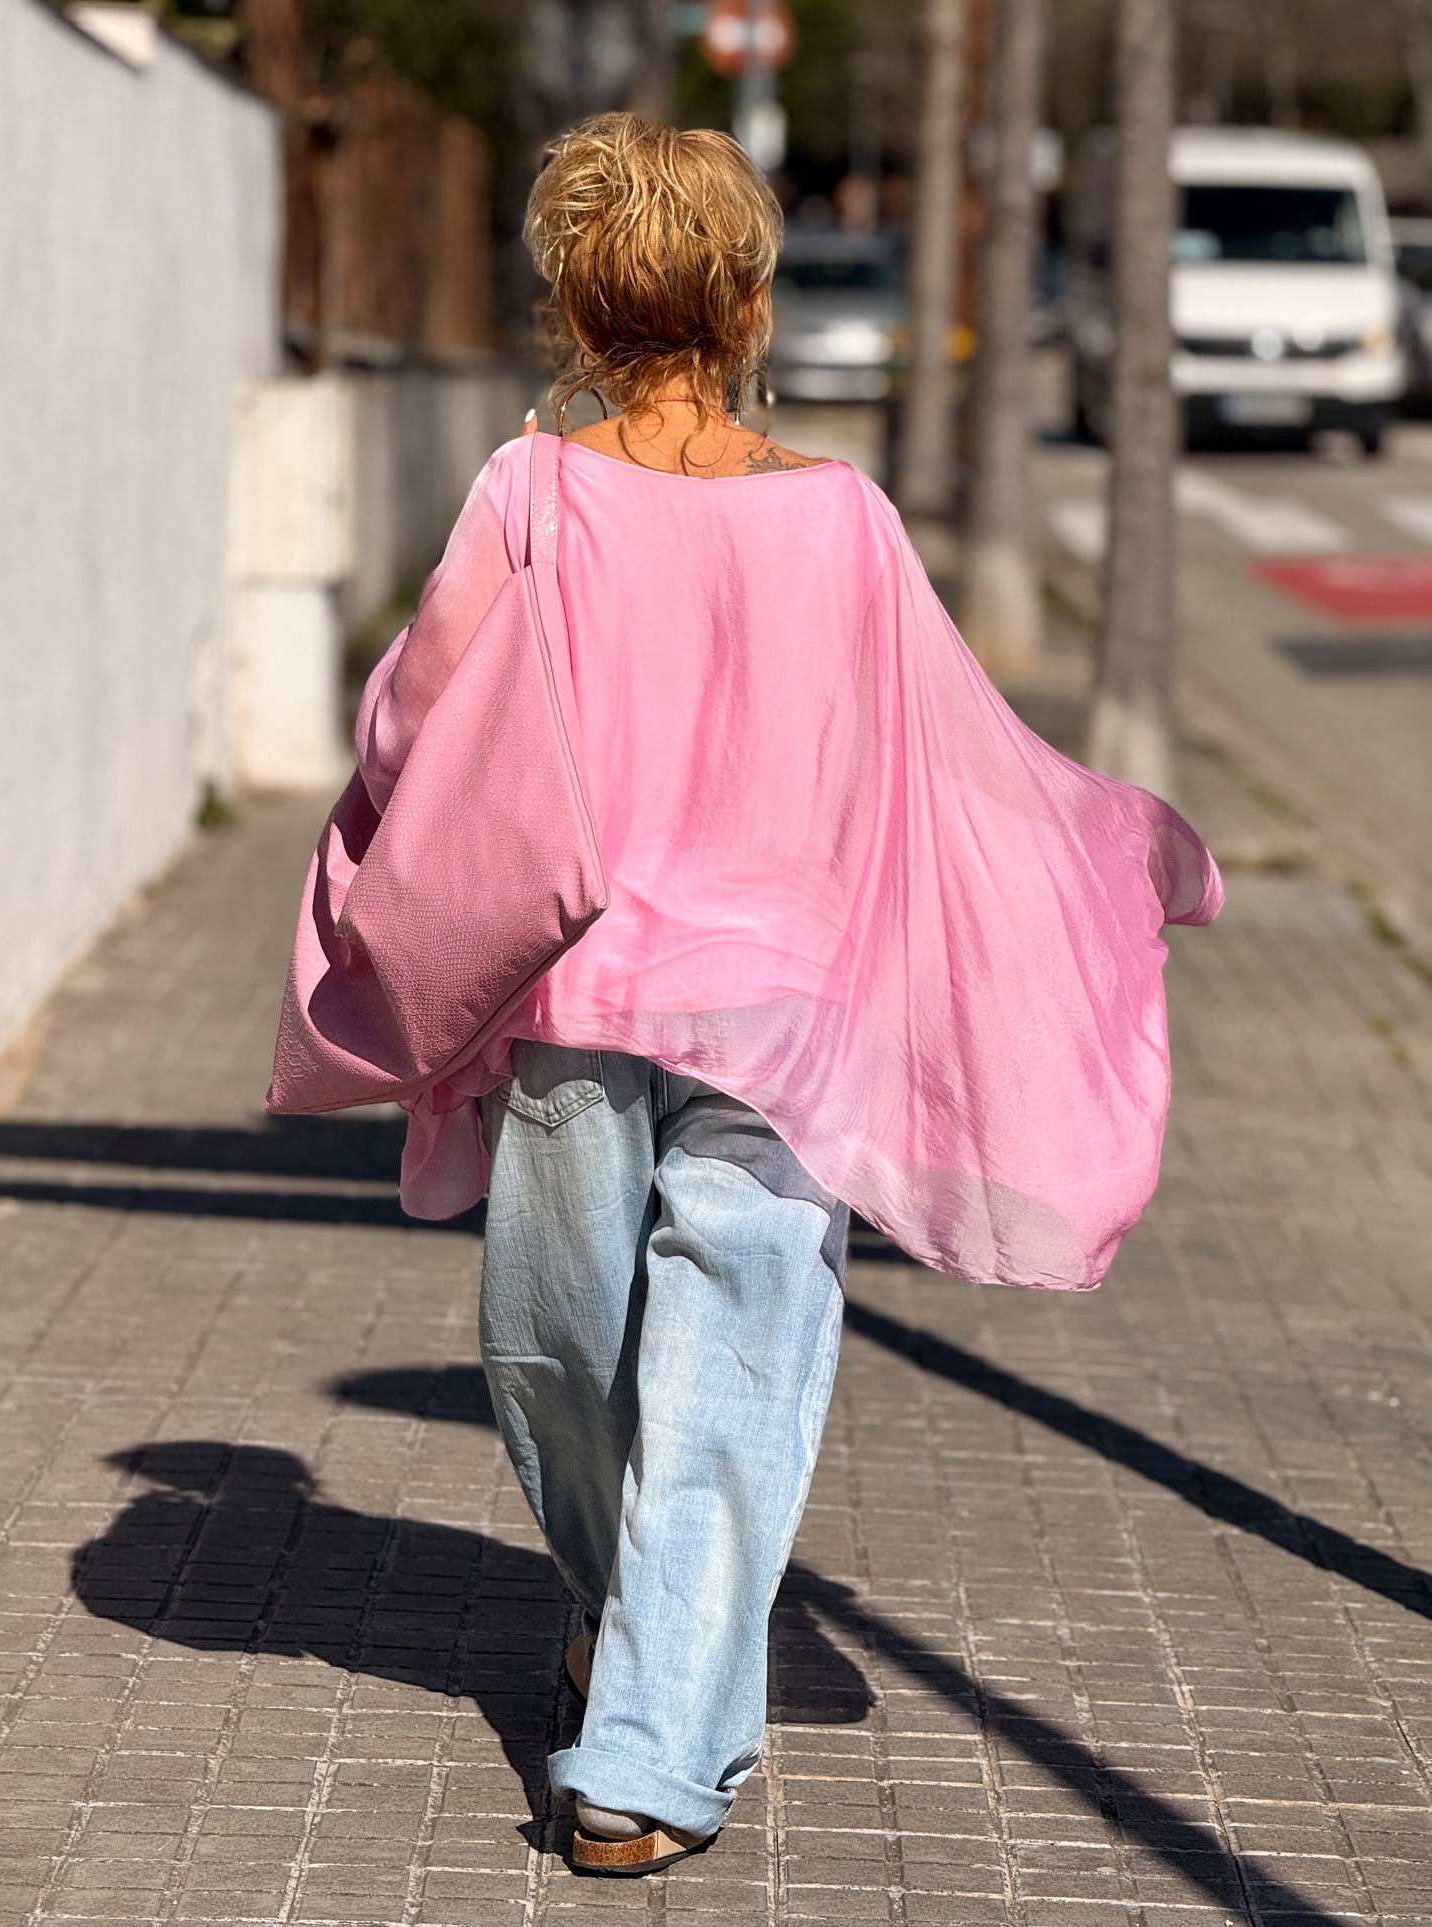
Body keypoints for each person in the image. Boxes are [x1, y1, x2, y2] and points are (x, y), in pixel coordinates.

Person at [329, 113, 1222, 1876]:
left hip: (613, 998)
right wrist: (1119, 844)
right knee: (645, 1359)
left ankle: (644, 1740)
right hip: (725, 1003)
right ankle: (637, 1642)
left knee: (588, 1342)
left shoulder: (548, 497)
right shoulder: (813, 516)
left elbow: (412, 736)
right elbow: (949, 758)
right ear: (747, 300)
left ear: (572, 304)